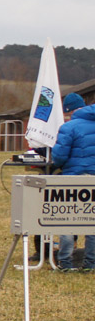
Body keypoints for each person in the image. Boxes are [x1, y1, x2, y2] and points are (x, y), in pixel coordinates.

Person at [52, 92, 95, 271]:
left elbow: (59, 157)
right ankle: (91, 263)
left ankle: (65, 262)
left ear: (69, 111)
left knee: (67, 219)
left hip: (73, 178)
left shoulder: (69, 127)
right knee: (92, 221)